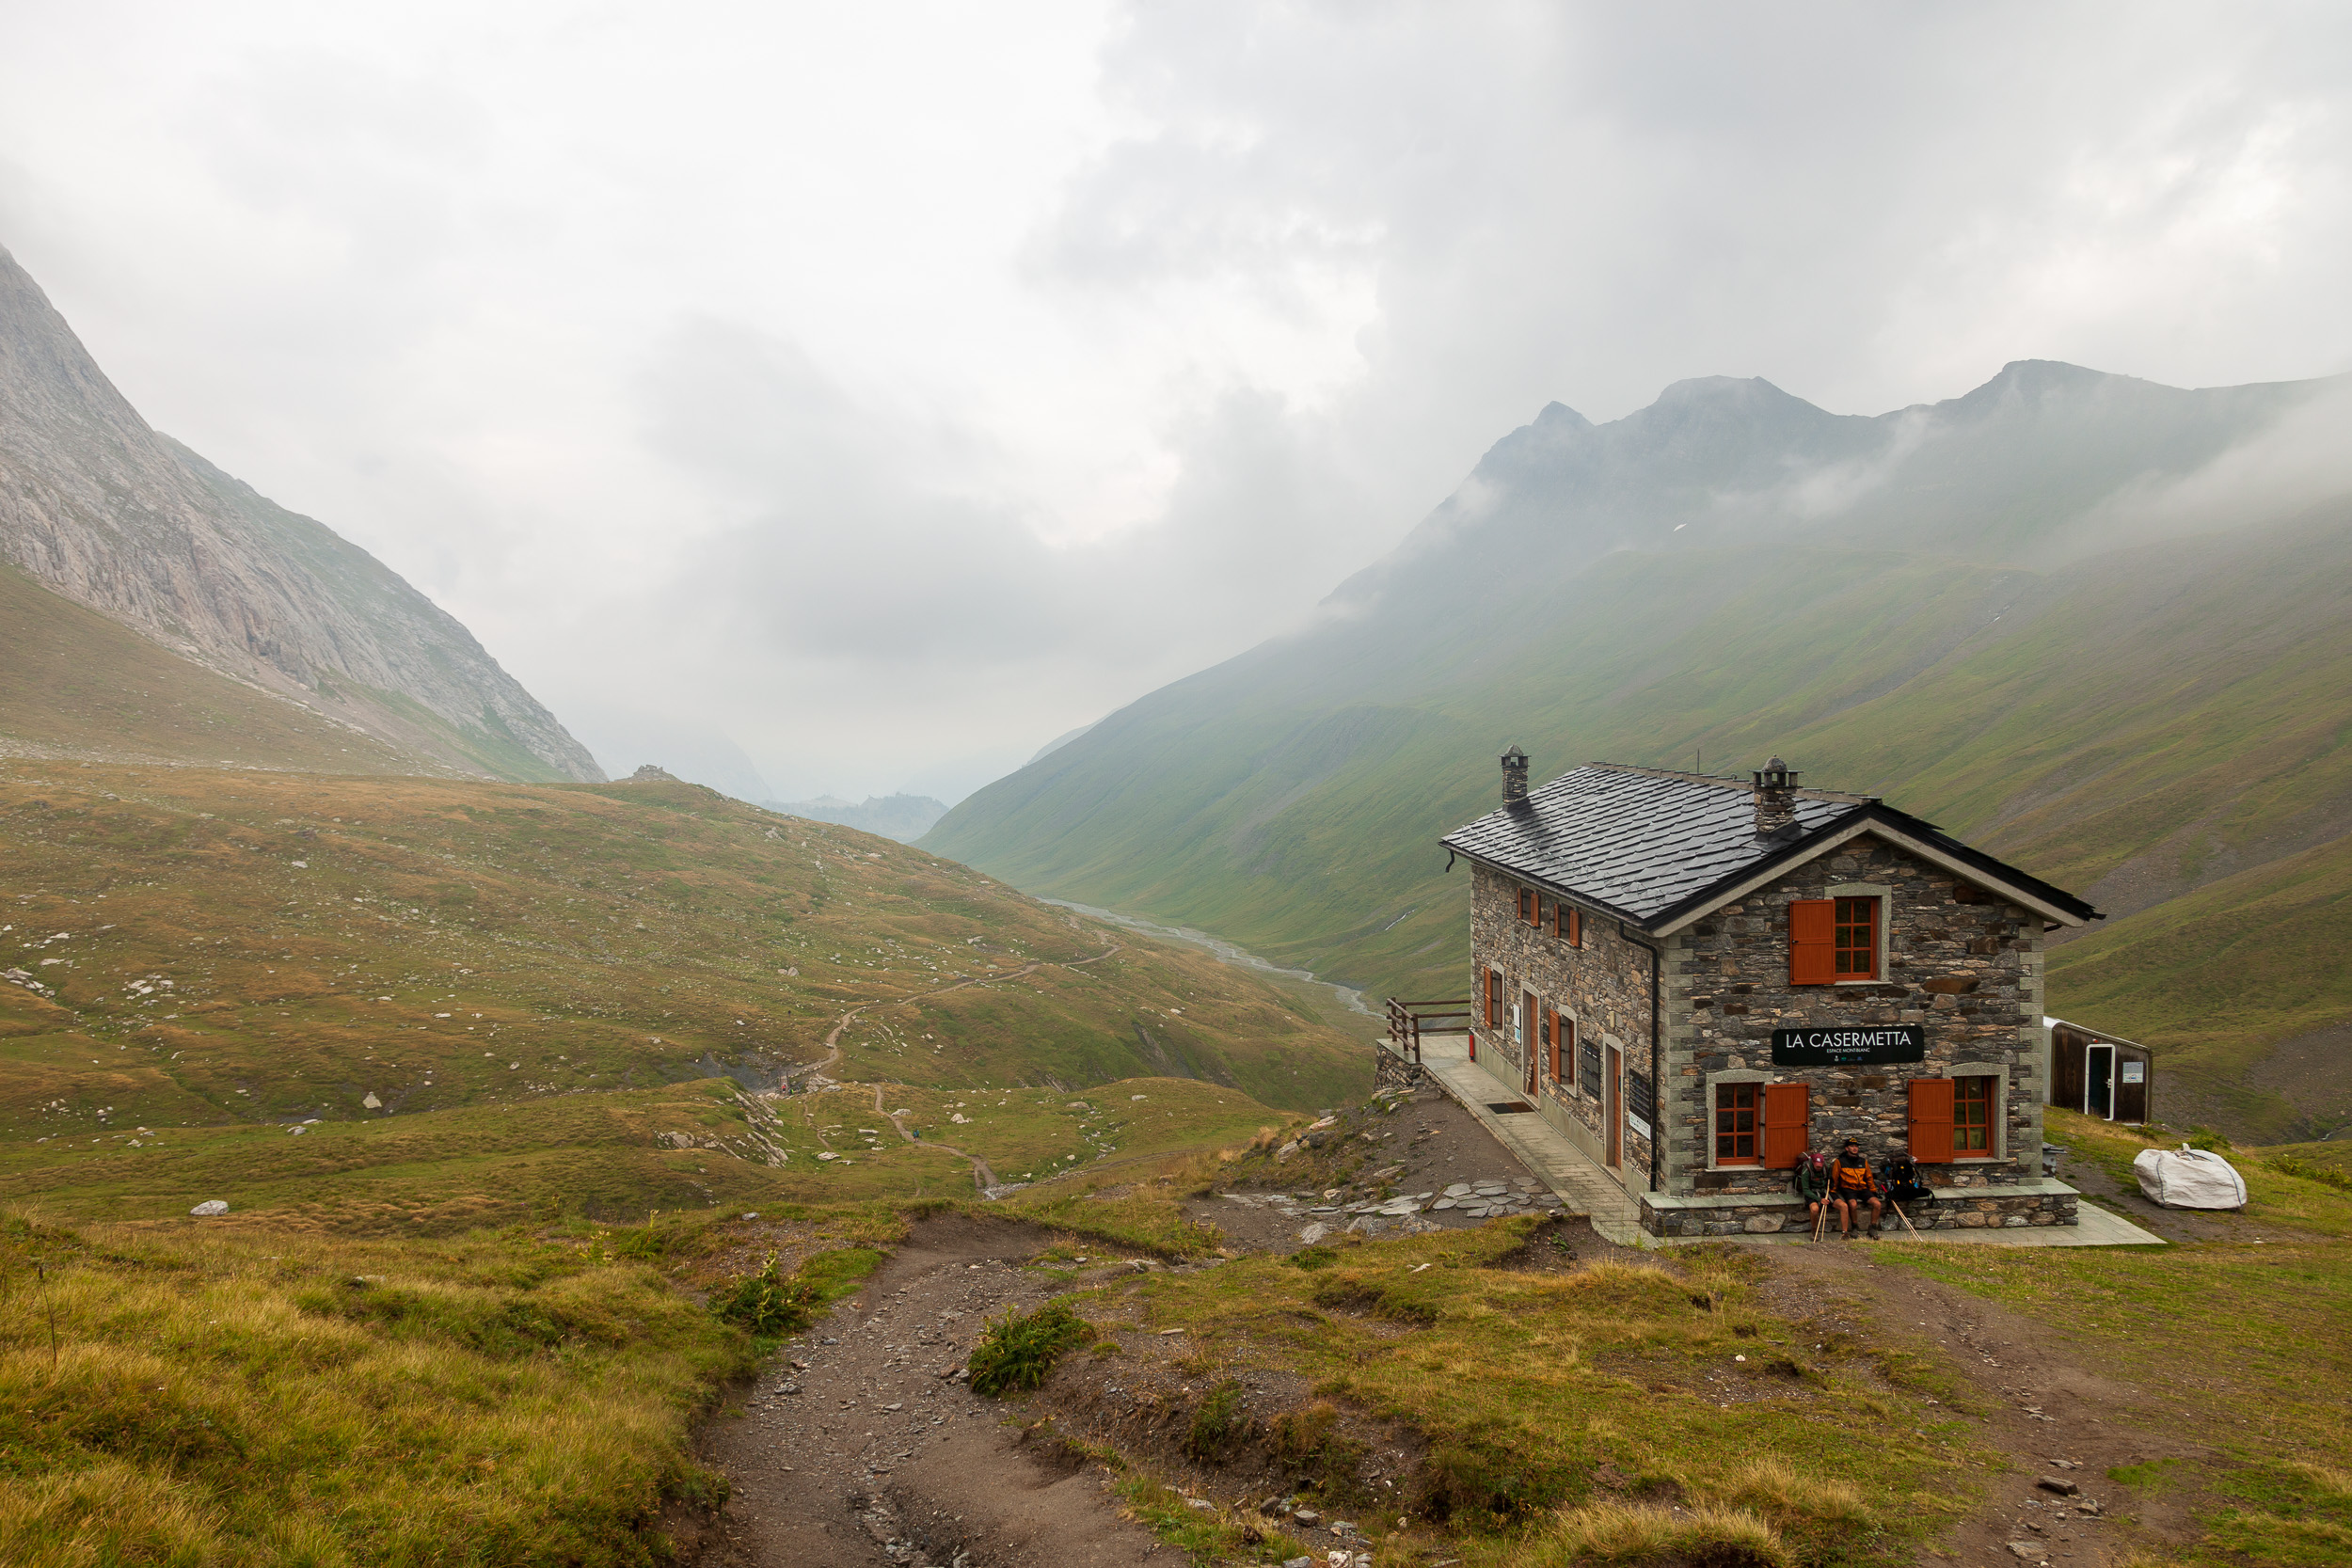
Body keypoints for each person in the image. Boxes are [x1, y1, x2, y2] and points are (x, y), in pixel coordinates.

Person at [1826, 1138, 1883, 1238]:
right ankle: (1854, 1227)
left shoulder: (1863, 1161)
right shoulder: (1840, 1161)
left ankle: (1872, 1228)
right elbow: (1834, 1177)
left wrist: (1873, 1191)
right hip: (1848, 1188)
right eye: (1852, 1146)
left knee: (1877, 1204)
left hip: (1862, 1188)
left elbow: (1869, 1177)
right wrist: (1832, 1191)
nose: (1855, 1148)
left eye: (1856, 1146)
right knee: (1853, 1204)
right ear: (1847, 1148)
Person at [1790, 1146, 1831, 1237]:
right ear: (1812, 1162)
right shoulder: (1806, 1170)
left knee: (1843, 1205)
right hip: (1811, 1192)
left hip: (1824, 1190)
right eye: (1817, 1166)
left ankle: (1845, 1232)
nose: (1818, 1168)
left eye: (1820, 1166)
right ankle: (1814, 1231)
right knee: (1815, 1209)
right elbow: (1806, 1190)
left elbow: (1831, 1180)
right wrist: (1819, 1199)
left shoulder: (1827, 1167)